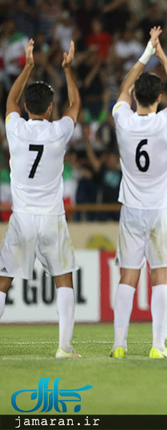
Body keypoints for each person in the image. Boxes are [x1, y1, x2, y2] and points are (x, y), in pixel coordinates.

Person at [0, 39, 81, 358]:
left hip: (21, 218)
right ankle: (64, 347)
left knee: (2, 283)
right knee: (64, 281)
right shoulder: (58, 130)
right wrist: (68, 69)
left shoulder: (15, 127)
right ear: (50, 108)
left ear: (24, 108)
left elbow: (9, 99)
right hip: (51, 219)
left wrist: (28, 66)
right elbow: (75, 104)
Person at [110, 27, 167, 359]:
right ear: (158, 99)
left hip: (131, 209)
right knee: (161, 277)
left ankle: (118, 345)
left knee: (128, 276)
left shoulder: (123, 120)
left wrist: (144, 54)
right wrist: (164, 58)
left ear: (134, 98)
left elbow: (124, 88)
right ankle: (158, 346)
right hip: (162, 209)